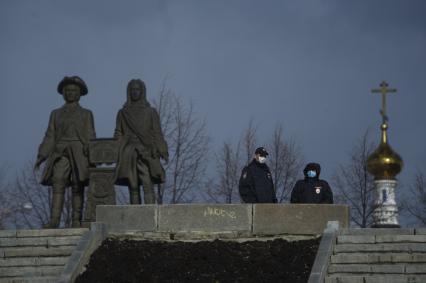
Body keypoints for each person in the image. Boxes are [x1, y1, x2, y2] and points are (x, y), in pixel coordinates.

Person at [35, 76, 96, 228]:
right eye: (67, 90)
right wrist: (41, 155)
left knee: (78, 184)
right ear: (63, 93)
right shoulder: (55, 114)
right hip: (60, 151)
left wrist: (92, 154)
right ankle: (54, 220)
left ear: (79, 93)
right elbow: (50, 135)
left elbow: (90, 135)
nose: (70, 93)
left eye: (74, 91)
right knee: (58, 181)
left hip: (79, 152)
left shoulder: (86, 114)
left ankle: (76, 219)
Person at [113, 79, 169, 204]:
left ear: (142, 91)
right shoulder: (123, 113)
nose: (135, 92)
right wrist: (117, 145)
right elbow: (118, 133)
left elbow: (157, 132)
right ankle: (134, 216)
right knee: (133, 186)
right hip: (128, 152)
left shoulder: (151, 112)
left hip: (146, 152)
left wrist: (161, 149)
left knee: (147, 183)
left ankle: (150, 214)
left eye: (137, 89)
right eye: (132, 89)